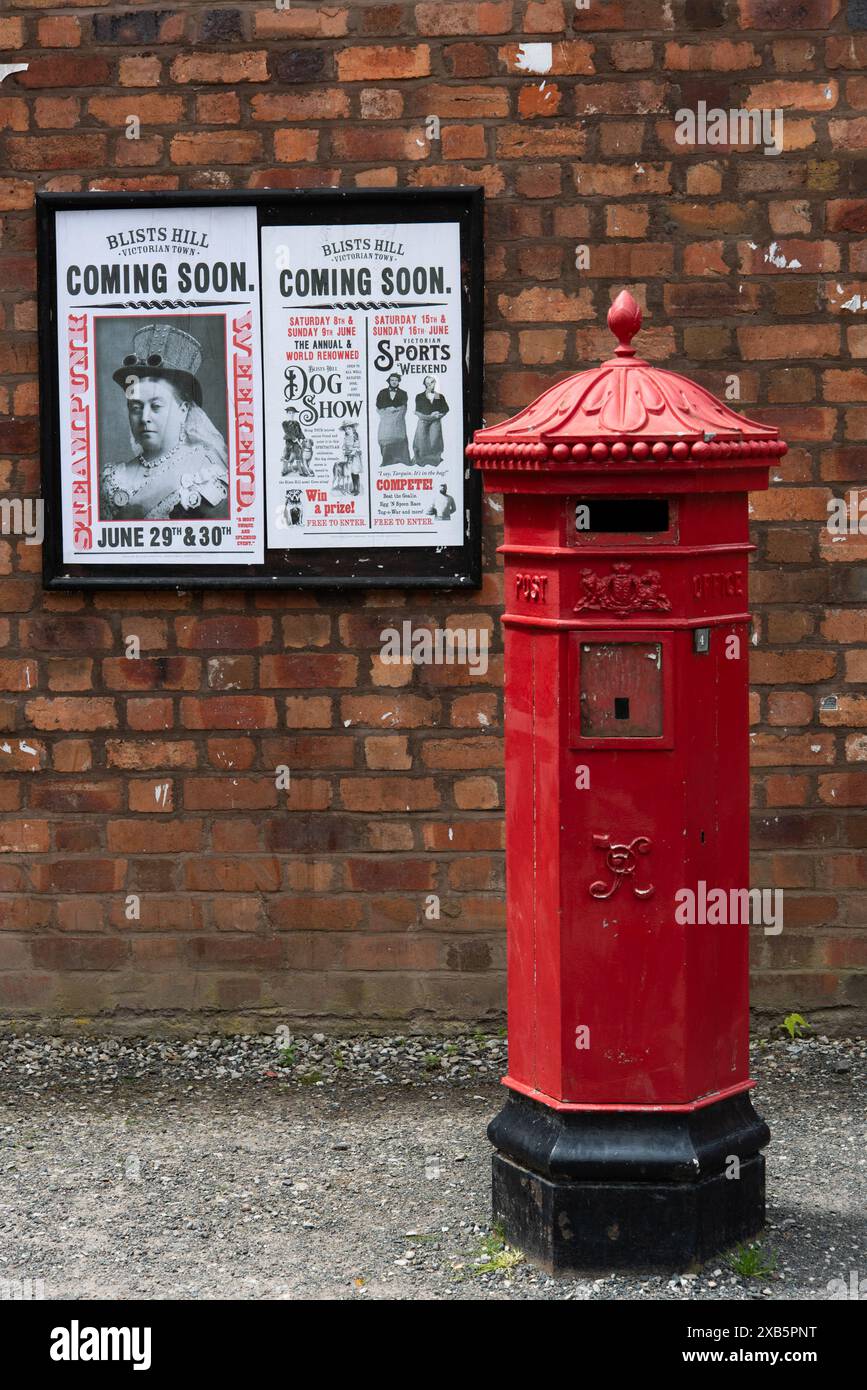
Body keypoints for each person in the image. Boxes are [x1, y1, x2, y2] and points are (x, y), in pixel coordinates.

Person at [101, 323, 228, 521]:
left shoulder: (204, 471)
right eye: (136, 407)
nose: (144, 418)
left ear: (183, 411)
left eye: (156, 406)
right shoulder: (113, 477)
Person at [412, 375, 449, 467]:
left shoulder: (438, 396)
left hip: (435, 422)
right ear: (425, 384)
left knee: (435, 440)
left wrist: (439, 414)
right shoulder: (419, 396)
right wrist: (430, 416)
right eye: (429, 382)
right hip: (423, 422)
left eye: (433, 382)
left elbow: (445, 409)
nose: (431, 384)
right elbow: (418, 410)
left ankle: (434, 460)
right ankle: (421, 460)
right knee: (421, 441)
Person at [375, 372, 410, 467]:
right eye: (392, 380)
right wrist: (388, 410)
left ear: (399, 381)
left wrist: (396, 410)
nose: (394, 382)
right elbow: (378, 405)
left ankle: (401, 459)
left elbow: (404, 406)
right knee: (385, 438)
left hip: (398, 420)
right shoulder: (382, 392)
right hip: (386, 420)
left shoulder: (403, 393)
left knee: (399, 437)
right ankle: (387, 460)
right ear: (389, 381)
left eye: (396, 380)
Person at [281, 409, 306, 476]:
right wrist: (294, 438)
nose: (291, 414)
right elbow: (287, 432)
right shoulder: (285, 423)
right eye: (290, 413)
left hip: (297, 442)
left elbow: (300, 431)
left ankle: (300, 471)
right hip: (289, 441)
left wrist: (302, 438)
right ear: (287, 413)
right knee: (287, 454)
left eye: (293, 413)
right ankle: (284, 470)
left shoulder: (297, 423)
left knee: (298, 454)